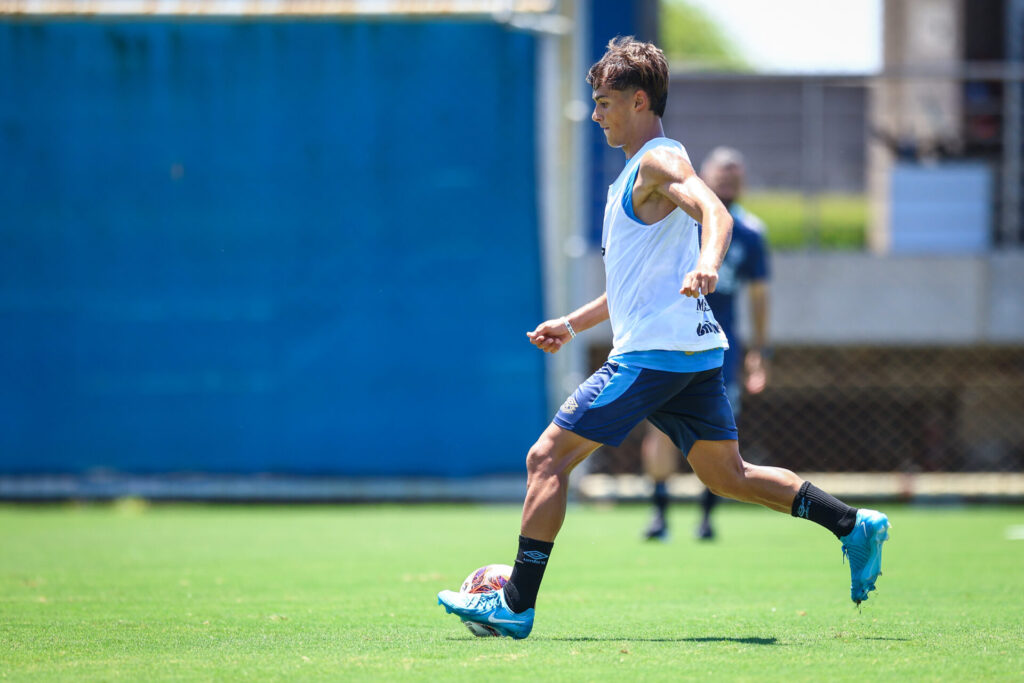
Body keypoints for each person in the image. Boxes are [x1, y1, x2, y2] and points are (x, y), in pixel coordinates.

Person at [437, 37, 889, 640]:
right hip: (690, 353)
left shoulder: (659, 160)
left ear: (639, 100)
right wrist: (572, 324)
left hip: (654, 355)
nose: (595, 114)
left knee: (546, 458)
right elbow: (631, 288)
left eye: (604, 102)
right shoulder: (635, 176)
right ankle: (852, 525)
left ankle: (515, 603)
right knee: (728, 476)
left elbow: (715, 212)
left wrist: (708, 261)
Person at [642, 146, 771, 542]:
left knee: (717, 434)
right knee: (662, 430)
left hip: (718, 348)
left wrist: (759, 351)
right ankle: (659, 514)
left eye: (735, 176)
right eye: (721, 175)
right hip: (670, 340)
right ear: (704, 176)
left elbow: (759, 294)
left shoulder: (750, 232)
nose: (728, 182)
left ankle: (706, 518)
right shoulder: (678, 219)